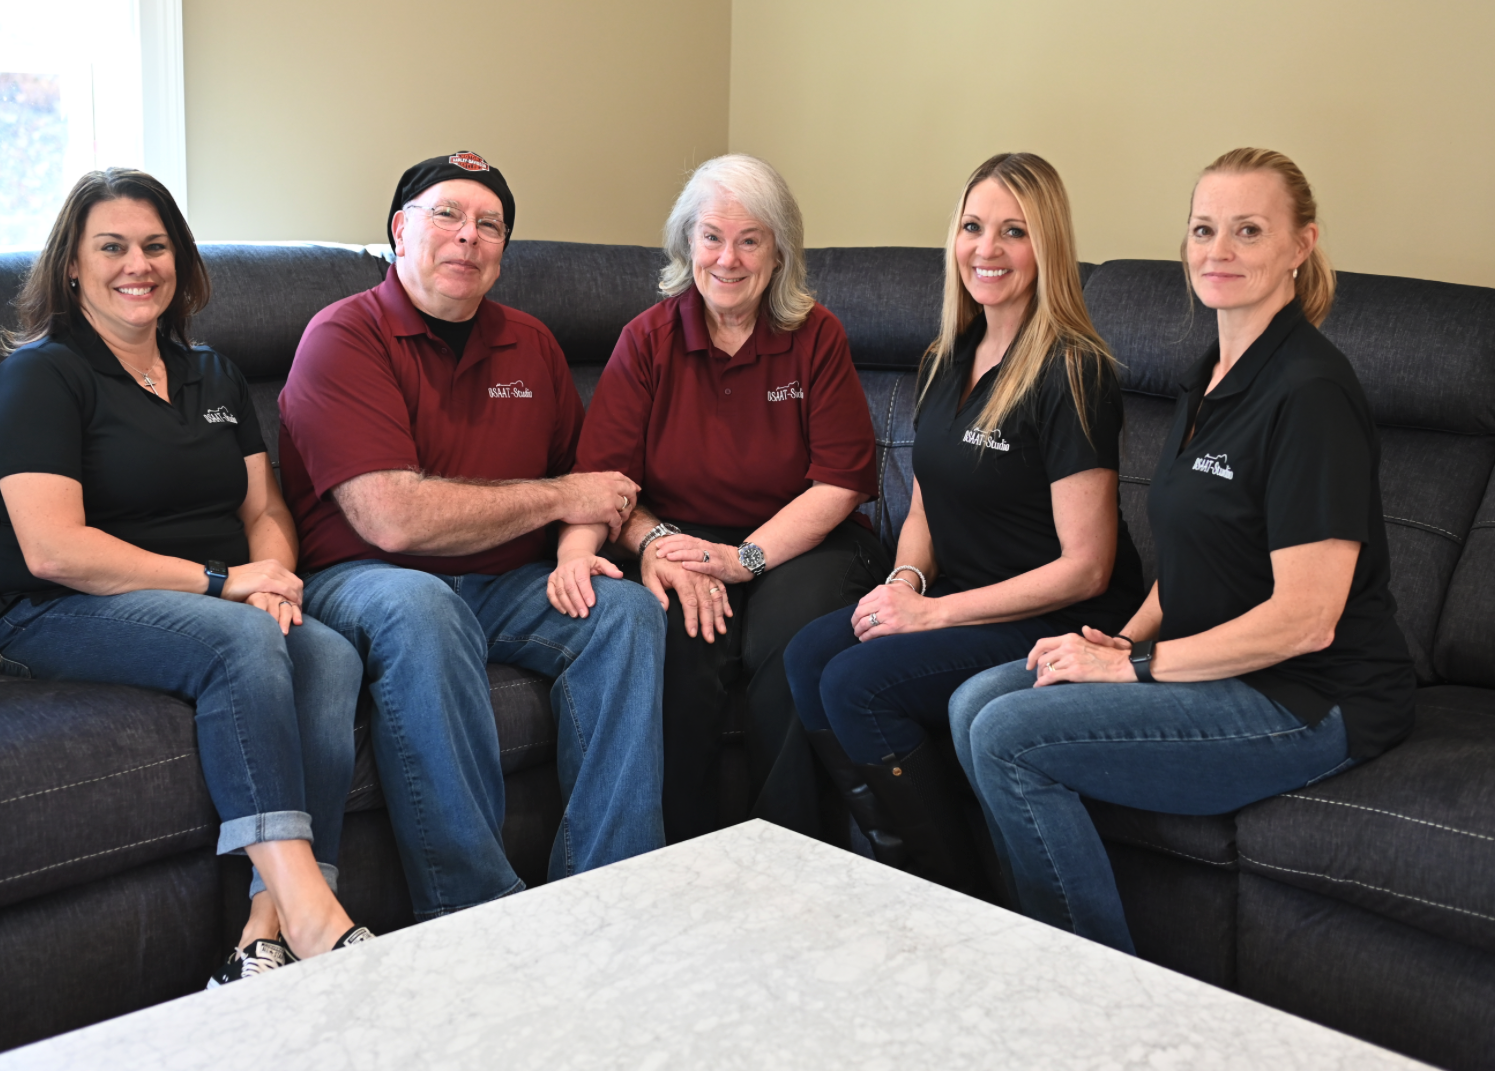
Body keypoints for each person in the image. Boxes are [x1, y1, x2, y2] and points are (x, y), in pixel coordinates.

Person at [948, 148, 1417, 952]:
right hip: (1209, 663)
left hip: (1304, 698)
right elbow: (1191, 560)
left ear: (1302, 245)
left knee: (1006, 734)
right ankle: (1029, 948)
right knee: (973, 700)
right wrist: (1117, 640)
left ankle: (1097, 996)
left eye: (1248, 230)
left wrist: (1131, 670)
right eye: (1204, 229)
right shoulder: (1209, 375)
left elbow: (1306, 620)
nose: (1218, 251)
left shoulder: (1311, 394)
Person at [0, 168, 371, 987]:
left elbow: (264, 509)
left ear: (180, 261)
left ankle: (263, 934)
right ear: (73, 266)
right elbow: (53, 549)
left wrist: (274, 580)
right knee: (240, 639)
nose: (138, 265)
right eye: (111, 247)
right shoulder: (41, 375)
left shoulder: (215, 374)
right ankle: (314, 909)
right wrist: (228, 585)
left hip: (218, 595)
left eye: (156, 246)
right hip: (57, 612)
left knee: (327, 652)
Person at [277, 151, 665, 918]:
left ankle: (612, 893)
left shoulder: (532, 344)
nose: (469, 237)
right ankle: (476, 913)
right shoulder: (342, 337)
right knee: (425, 608)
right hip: (365, 579)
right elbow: (390, 517)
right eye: (447, 215)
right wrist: (559, 497)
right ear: (399, 231)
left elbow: (589, 486)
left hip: (508, 584)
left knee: (625, 615)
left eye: (490, 226)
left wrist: (589, 546)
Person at [783, 152, 1144, 897]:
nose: (988, 249)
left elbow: (1088, 568)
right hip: (958, 595)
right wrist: (905, 582)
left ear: (1047, 248)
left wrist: (930, 613)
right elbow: (924, 505)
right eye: (974, 227)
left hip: (1061, 614)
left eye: (1014, 232)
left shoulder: (1075, 371)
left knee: (856, 684)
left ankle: (950, 889)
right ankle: (897, 853)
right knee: (807, 655)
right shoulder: (946, 359)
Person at [560, 153, 886, 844]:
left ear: (777, 253)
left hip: (807, 543)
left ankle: (788, 852)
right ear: (687, 245)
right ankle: (684, 857)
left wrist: (744, 559)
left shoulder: (814, 336)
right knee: (681, 645)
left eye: (750, 240)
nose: (728, 259)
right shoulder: (645, 342)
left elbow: (840, 482)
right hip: (684, 540)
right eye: (711, 236)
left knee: (786, 644)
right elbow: (608, 485)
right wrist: (660, 545)